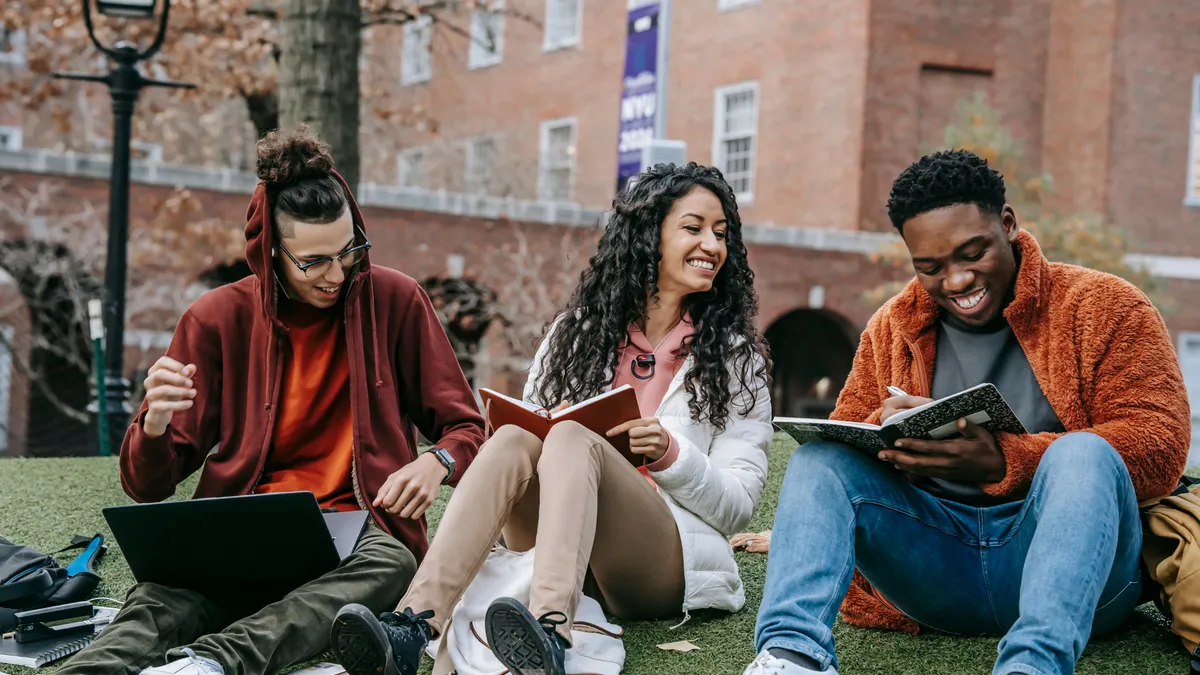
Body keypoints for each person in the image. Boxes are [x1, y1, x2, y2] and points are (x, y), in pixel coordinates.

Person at [744, 149, 1192, 675]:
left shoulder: (1108, 307)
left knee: (1084, 453)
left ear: (1007, 225)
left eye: (972, 254)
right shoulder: (892, 325)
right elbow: (850, 443)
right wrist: (897, 444)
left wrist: (1006, 460)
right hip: (936, 570)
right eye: (929, 267)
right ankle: (792, 655)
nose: (955, 281)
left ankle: (1033, 665)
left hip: (1078, 578)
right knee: (821, 461)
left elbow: (1159, 444)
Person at [57, 126, 486, 675]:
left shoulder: (397, 300)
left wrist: (437, 459)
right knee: (157, 601)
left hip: (356, 534)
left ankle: (208, 666)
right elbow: (148, 486)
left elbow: (467, 427)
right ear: (270, 251)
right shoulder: (215, 318)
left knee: (394, 564)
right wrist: (156, 423)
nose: (337, 273)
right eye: (314, 261)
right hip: (241, 526)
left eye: (349, 250)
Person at [327, 162, 774, 675]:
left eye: (721, 234)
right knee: (519, 435)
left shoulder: (735, 358)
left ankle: (549, 633)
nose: (712, 246)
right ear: (648, 236)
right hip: (556, 547)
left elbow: (739, 505)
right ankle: (411, 626)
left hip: (658, 564)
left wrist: (672, 455)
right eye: (693, 228)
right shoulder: (574, 334)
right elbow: (532, 442)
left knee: (572, 439)